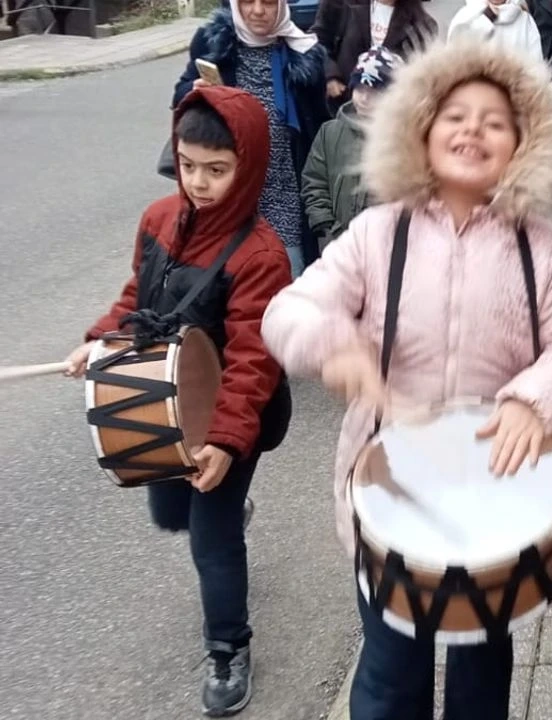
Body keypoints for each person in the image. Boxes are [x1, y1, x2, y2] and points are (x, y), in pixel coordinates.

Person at [260, 36, 552, 720]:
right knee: (390, 676)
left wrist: (536, 400)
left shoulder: (541, 248)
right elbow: (289, 310)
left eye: (495, 122)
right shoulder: (377, 233)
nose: (473, 130)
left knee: (482, 677)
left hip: (498, 494)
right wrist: (335, 345)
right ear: (420, 128)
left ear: (524, 143)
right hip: (391, 491)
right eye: (455, 115)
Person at [65, 86, 293, 718]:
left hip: (233, 413)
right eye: (188, 165)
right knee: (170, 514)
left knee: (210, 541)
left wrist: (224, 441)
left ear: (247, 166)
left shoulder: (262, 255)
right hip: (166, 401)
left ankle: (228, 648)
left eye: (217, 170)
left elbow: (254, 360)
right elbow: (137, 296)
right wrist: (99, 340)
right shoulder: (158, 219)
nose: (198, 182)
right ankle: (231, 514)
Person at [172, 0, 329, 278]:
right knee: (226, 277)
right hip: (227, 190)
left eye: (268, 2)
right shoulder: (212, 42)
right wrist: (194, 91)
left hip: (283, 194)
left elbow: (318, 128)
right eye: (247, 1)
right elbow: (181, 94)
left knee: (285, 276)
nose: (257, 11)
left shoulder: (304, 53)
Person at [301, 46, 401, 251]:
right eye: (360, 89)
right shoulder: (330, 132)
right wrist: (325, 228)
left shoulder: (402, 140)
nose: (364, 98)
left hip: (384, 245)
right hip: (336, 242)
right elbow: (314, 182)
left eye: (374, 92)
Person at [310, 0, 437, 114]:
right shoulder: (339, 4)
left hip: (387, 115)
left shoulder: (422, 25)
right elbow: (317, 41)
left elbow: (419, 75)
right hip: (342, 105)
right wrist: (331, 76)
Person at [448, 0, 544, 61]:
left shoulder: (524, 20)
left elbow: (536, 66)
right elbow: (456, 58)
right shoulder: (466, 16)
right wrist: (487, 18)